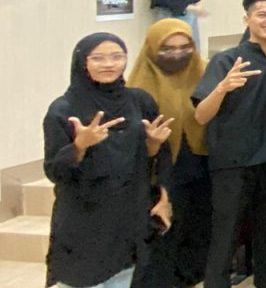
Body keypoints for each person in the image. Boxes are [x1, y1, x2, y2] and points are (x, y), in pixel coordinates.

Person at [44, 33, 173, 288]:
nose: (109, 64)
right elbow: (54, 171)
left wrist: (154, 145)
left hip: (127, 215)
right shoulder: (63, 109)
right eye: (98, 58)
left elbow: (151, 156)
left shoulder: (139, 101)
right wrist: (79, 146)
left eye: (117, 57)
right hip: (83, 217)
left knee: (123, 277)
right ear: (82, 62)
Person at [193, 0, 266, 287]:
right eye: (262, 14)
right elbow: (201, 115)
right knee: (226, 235)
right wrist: (222, 88)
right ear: (247, 19)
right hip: (232, 162)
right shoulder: (227, 60)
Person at [127, 20, 211, 288]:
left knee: (196, 230)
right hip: (158, 172)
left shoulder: (206, 73)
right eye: (167, 48)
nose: (177, 54)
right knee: (163, 236)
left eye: (185, 47)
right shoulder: (138, 88)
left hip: (202, 166)